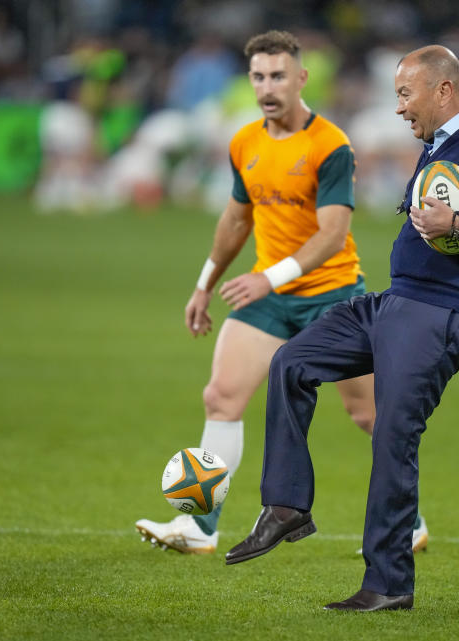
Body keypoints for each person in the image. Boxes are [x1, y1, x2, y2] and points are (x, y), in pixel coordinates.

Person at [224, 45, 459, 612]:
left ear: (444, 90)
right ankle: (287, 504)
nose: (399, 108)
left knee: (394, 435)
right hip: (396, 302)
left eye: (405, 94)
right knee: (292, 362)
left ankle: (389, 584)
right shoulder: (439, 146)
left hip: (442, 312)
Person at [134, 30, 429, 556]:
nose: (268, 86)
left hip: (333, 296)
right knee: (221, 397)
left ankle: (410, 520)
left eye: (277, 75)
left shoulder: (330, 145)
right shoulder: (244, 142)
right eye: (258, 76)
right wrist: (204, 283)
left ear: (300, 78)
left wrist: (266, 277)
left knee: (368, 415)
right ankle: (200, 527)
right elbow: (235, 219)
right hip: (268, 298)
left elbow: (332, 233)